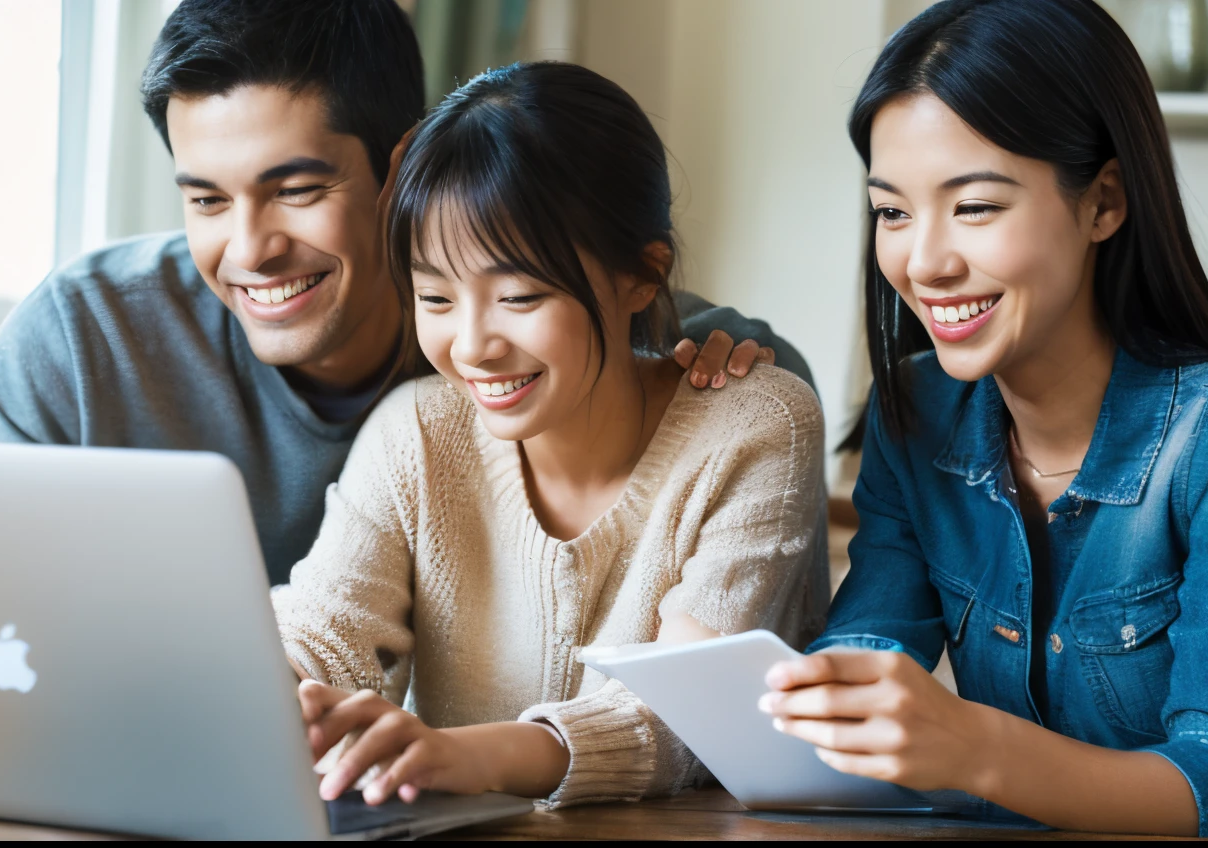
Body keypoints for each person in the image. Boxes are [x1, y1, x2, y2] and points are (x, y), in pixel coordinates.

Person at [0, 0, 814, 585]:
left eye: (296, 190)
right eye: (207, 199)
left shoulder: (546, 342)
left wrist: (736, 372)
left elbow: (744, 368)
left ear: (402, 168)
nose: (250, 249)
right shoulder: (80, 338)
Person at [278, 61, 827, 809]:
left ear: (643, 274)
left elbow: (685, 720)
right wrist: (274, 692)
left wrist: (462, 756)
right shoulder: (416, 431)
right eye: (434, 295)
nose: (471, 345)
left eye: (519, 295)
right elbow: (321, 636)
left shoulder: (752, 428)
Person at [759, 0, 1208, 836]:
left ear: (1103, 202)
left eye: (974, 206)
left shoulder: (1204, 438)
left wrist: (971, 747)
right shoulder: (917, 411)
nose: (924, 261)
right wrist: (824, 700)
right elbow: (870, 643)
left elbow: (1206, 785)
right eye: (892, 211)